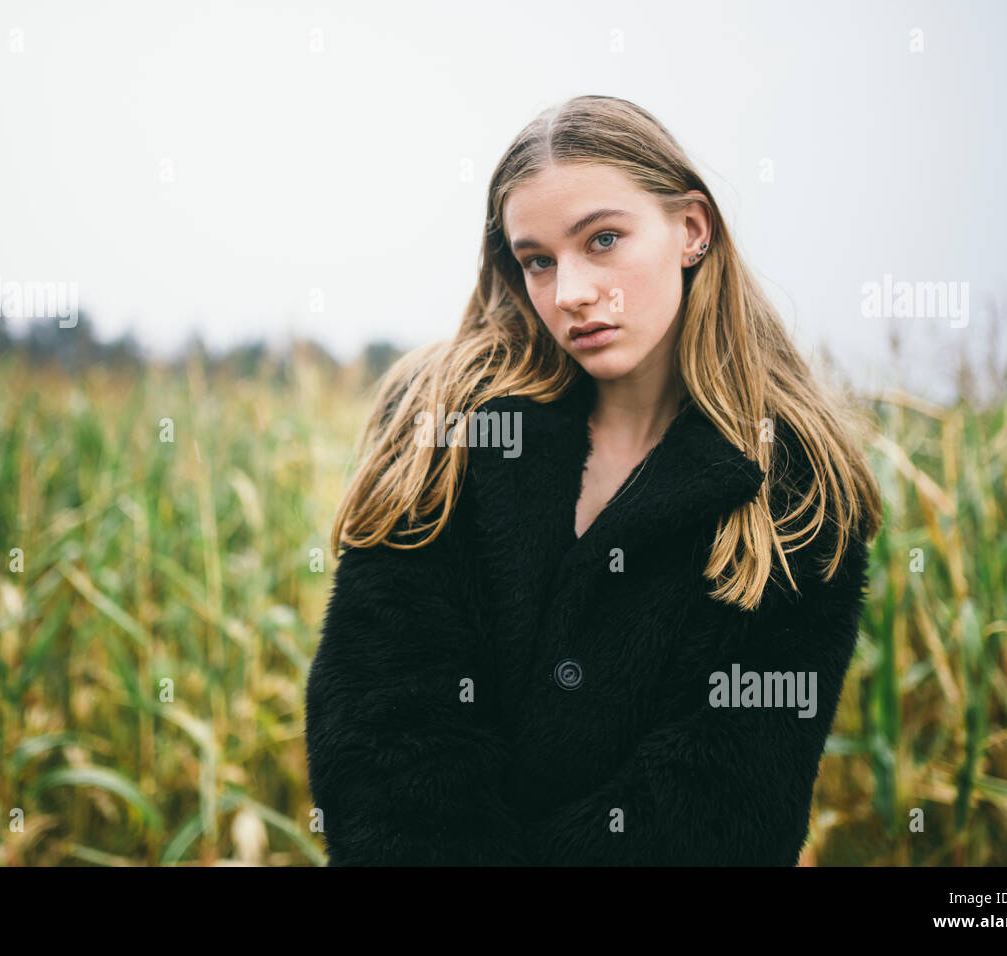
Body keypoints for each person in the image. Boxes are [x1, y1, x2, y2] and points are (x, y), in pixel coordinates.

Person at [304, 94, 882, 866]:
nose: (569, 292)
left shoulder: (798, 491)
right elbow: (384, 730)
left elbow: (728, 801)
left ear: (692, 230)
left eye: (603, 240)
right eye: (537, 259)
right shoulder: (445, 428)